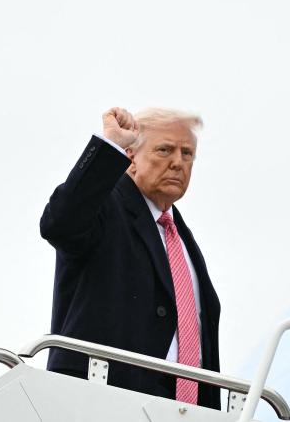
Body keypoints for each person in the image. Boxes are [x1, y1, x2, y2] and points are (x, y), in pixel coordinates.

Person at [40, 107, 221, 409]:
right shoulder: (106, 208)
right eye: (164, 150)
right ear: (131, 157)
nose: (178, 162)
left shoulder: (183, 240)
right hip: (99, 403)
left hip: (183, 412)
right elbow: (60, 223)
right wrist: (109, 146)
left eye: (187, 153)